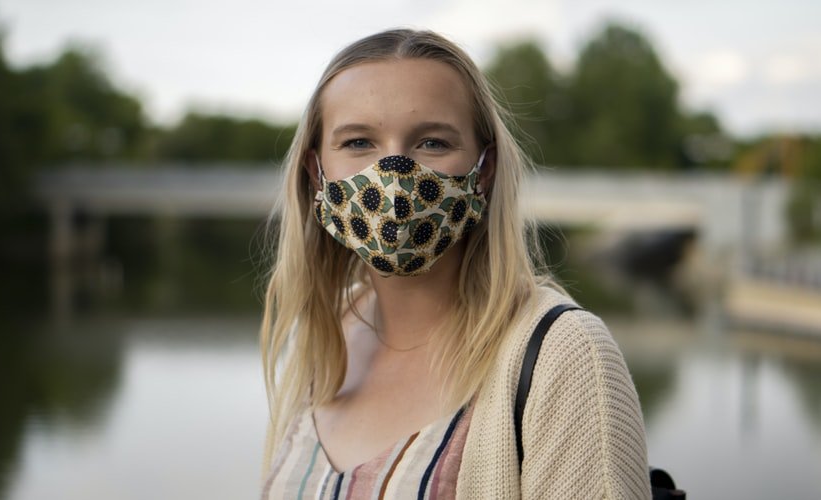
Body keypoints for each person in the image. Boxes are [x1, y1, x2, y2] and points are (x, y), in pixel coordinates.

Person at [259, 28, 651, 499]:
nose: (393, 178)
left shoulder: (563, 356)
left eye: (432, 143)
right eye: (359, 142)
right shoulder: (322, 336)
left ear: (483, 171)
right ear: (315, 173)